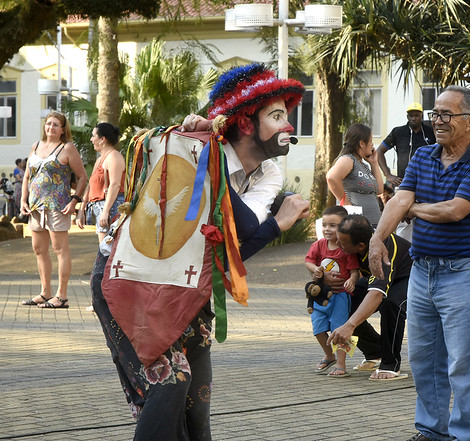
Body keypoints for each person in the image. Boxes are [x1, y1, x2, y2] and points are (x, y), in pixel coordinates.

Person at [91, 63, 310, 441]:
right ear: (244, 123)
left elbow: (238, 240)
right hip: (129, 280)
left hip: (189, 289)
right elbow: (246, 230)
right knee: (170, 382)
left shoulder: (267, 173)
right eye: (277, 116)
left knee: (197, 405)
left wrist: (269, 224)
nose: (288, 127)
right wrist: (278, 225)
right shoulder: (193, 148)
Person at [365, 86, 470, 441]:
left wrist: (411, 208)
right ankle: (431, 431)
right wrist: (378, 239)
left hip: (463, 274)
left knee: (463, 364)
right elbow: (398, 201)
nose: (436, 120)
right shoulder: (423, 156)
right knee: (424, 361)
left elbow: (454, 211)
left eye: (445, 114)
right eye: (434, 113)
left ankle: (468, 435)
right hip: (422, 272)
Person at [328, 214, 412, 381]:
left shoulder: (381, 251)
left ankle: (390, 364)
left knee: (391, 304)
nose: (337, 245)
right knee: (347, 299)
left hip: (412, 277)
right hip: (386, 279)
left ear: (360, 246)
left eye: (342, 243)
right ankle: (375, 352)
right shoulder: (355, 242)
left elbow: (376, 294)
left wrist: (350, 325)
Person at [20, 110, 88, 309]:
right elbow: (27, 177)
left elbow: (82, 176)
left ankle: (62, 295)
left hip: (58, 207)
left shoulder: (67, 148)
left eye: (55, 125)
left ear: (62, 130)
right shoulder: (35, 146)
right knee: (39, 249)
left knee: (60, 249)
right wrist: (24, 199)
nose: (50, 127)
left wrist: (75, 201)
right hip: (35, 206)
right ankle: (45, 292)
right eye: (48, 123)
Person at [304, 205, 359, 378]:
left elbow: (354, 270)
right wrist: (316, 270)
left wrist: (352, 280)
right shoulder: (319, 245)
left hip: (340, 296)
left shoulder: (346, 248)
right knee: (318, 326)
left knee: (339, 328)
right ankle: (329, 355)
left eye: (333, 225)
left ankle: (341, 364)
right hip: (321, 295)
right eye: (325, 225)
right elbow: (308, 261)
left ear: (344, 227)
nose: (328, 229)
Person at [76, 123, 126, 243]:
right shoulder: (100, 160)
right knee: (105, 249)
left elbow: (115, 184)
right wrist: (81, 210)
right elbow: (90, 185)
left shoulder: (114, 156)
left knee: (108, 251)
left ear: (102, 139)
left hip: (111, 207)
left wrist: (105, 211)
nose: (91, 139)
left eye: (94, 136)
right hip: (101, 207)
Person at [326, 123, 384, 227]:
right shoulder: (348, 159)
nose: (372, 144)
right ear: (362, 143)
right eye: (370, 141)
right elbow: (332, 177)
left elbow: (379, 190)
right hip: (356, 226)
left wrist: (374, 163)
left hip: (372, 225)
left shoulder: (363, 165)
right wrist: (346, 203)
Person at [377, 102, 435, 188]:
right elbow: (379, 151)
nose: (413, 118)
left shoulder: (431, 132)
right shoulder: (398, 132)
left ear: (421, 116)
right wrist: (388, 175)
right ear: (407, 117)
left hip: (426, 182)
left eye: (416, 115)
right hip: (403, 182)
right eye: (411, 116)